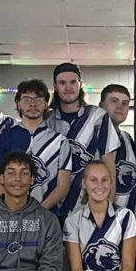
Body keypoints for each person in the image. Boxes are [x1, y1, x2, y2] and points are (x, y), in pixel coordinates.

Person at [0, 78, 71, 211]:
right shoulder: (2, 138)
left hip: (48, 216)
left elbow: (63, 186)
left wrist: (39, 212)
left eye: (38, 99)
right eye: (26, 99)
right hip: (9, 215)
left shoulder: (60, 142)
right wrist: (13, 208)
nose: (32, 104)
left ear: (46, 104)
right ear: (18, 104)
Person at [47, 62, 118, 219]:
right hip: (53, 205)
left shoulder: (97, 117)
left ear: (80, 84)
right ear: (55, 86)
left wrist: (109, 204)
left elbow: (109, 163)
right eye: (62, 83)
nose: (68, 87)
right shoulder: (47, 120)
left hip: (89, 205)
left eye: (73, 82)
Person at [100, 83, 136, 213]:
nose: (120, 107)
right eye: (114, 101)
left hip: (128, 220)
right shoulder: (91, 139)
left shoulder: (128, 138)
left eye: (125, 103)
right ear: (101, 106)